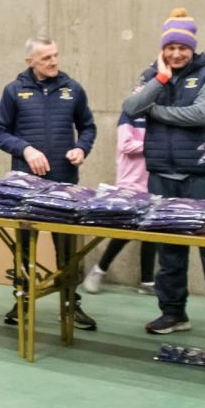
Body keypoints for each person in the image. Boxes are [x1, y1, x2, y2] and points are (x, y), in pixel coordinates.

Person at [122, 9, 205, 348]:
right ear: (162, 49)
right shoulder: (153, 74)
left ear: (193, 48)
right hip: (161, 175)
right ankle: (174, 313)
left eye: (183, 48)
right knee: (169, 251)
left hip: (200, 175)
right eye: (170, 47)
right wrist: (159, 81)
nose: (176, 54)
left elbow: (201, 114)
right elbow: (131, 107)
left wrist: (156, 110)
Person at [0, 36, 98, 330]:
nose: (53, 62)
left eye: (55, 55)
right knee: (24, 248)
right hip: (25, 188)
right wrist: (25, 149)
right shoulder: (13, 91)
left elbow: (87, 127)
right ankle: (23, 299)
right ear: (30, 62)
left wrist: (82, 148)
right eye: (46, 58)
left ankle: (70, 303)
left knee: (68, 248)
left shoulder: (73, 90)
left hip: (65, 185)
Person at [82, 109, 157, 294]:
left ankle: (147, 282)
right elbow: (126, 145)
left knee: (153, 231)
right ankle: (99, 270)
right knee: (125, 231)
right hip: (130, 183)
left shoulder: (161, 115)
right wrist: (157, 144)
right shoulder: (130, 114)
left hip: (154, 180)